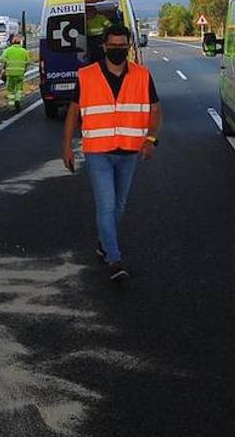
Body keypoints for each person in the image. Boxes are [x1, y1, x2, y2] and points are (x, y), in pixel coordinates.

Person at [61, 24, 162, 282]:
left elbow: (155, 110)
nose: (118, 50)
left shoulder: (142, 75)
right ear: (104, 46)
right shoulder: (86, 75)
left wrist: (151, 139)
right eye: (113, 45)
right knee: (106, 204)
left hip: (129, 150)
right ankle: (114, 259)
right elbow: (73, 112)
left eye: (122, 46)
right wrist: (67, 147)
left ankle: (104, 242)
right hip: (98, 152)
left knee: (119, 204)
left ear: (128, 46)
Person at [0, 34, 30, 112]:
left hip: (10, 73)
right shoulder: (24, 51)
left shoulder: (7, 50)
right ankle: (17, 100)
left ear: (12, 42)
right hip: (20, 74)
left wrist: (4, 68)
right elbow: (27, 62)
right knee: (19, 88)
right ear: (20, 43)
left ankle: (11, 104)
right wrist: (24, 70)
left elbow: (2, 60)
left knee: (10, 90)